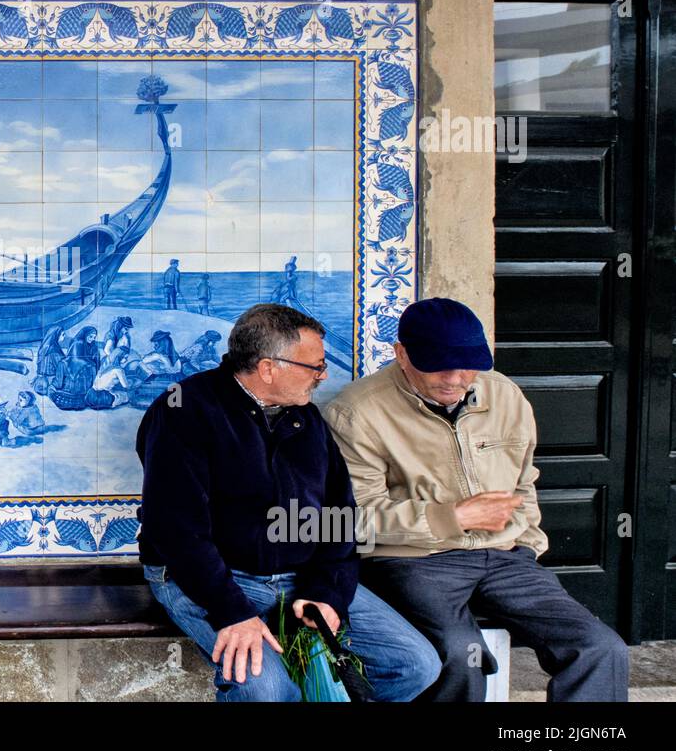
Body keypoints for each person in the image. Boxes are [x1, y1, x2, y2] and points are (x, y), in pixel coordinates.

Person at [326, 297, 630, 702]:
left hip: (505, 554)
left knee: (599, 647)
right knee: (461, 655)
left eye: (468, 364)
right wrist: (452, 517)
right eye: (438, 365)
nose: (455, 378)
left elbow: (524, 480)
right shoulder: (356, 411)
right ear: (401, 354)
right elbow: (359, 517)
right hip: (414, 559)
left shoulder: (504, 395)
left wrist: (529, 542)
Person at [137, 303, 441, 701]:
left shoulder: (306, 418)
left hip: (298, 577)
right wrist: (233, 613)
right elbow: (177, 530)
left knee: (414, 664)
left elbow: (337, 513)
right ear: (268, 368)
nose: (323, 375)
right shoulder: (184, 411)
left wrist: (327, 593)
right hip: (210, 579)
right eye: (315, 366)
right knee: (267, 690)